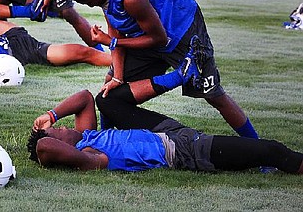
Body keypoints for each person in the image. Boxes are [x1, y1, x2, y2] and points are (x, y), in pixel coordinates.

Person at [65, 0, 260, 141]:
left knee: (213, 96)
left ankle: (258, 148)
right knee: (111, 88)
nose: (88, 6)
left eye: (87, 2)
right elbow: (113, 21)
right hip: (148, 29)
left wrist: (112, 42)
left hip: (183, 30)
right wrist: (117, 75)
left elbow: (159, 39)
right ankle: (105, 139)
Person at [27, 80, 303, 174]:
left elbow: (84, 98)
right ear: (64, 146)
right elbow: (44, 146)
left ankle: (180, 74)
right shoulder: (90, 155)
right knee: (272, 151)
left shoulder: (87, 133)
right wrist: (44, 139)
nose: (61, 127)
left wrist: (51, 115)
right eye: (58, 130)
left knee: (105, 100)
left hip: (168, 132)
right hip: (186, 151)